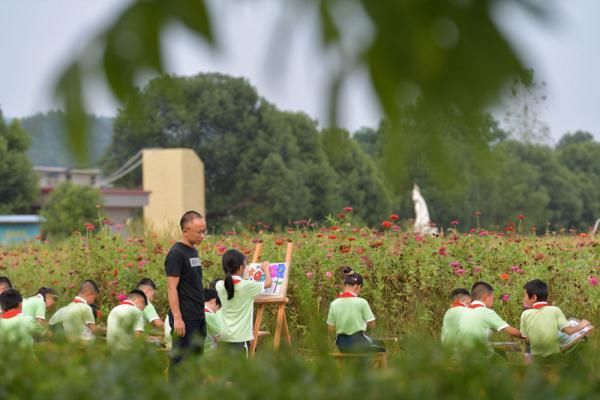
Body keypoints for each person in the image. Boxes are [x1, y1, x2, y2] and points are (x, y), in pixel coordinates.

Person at [165, 210, 207, 365]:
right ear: (185, 231)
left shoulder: (193, 251)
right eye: (199, 232)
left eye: (204, 231)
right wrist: (177, 318)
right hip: (185, 317)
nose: (202, 236)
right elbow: (171, 288)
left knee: (195, 362)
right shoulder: (176, 253)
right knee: (181, 362)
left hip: (198, 315)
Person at [215, 249, 271, 355]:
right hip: (239, 339)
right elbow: (268, 283)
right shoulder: (247, 286)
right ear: (241, 267)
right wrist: (266, 269)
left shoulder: (219, 285)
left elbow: (233, 284)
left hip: (224, 337)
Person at [521, 279, 591, 360]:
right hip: (555, 357)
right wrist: (581, 326)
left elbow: (526, 340)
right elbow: (569, 331)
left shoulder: (525, 314)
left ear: (534, 297)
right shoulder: (555, 310)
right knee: (581, 342)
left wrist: (528, 359)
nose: (523, 299)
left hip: (537, 359)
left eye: (525, 295)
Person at [456, 281, 522, 358]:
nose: (493, 302)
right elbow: (511, 331)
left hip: (460, 356)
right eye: (492, 298)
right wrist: (526, 336)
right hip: (479, 357)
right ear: (485, 297)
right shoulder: (486, 312)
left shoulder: (462, 311)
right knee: (501, 358)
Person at [327, 267, 385, 353]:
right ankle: (369, 366)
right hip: (359, 343)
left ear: (344, 286)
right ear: (357, 286)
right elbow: (372, 325)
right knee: (381, 346)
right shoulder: (361, 302)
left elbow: (330, 329)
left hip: (342, 346)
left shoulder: (334, 304)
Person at [204, 287, 222, 351]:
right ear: (214, 301)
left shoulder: (196, 311)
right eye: (218, 308)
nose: (216, 311)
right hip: (208, 352)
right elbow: (219, 337)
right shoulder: (209, 315)